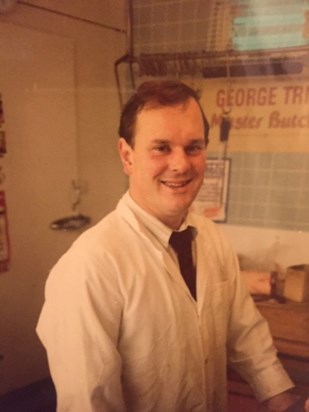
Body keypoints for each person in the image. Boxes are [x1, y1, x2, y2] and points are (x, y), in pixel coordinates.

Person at [37, 80, 309, 412]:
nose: (181, 165)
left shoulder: (210, 237)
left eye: (193, 147)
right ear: (127, 156)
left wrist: (282, 400)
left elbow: (244, 331)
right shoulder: (89, 267)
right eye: (162, 147)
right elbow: (90, 404)